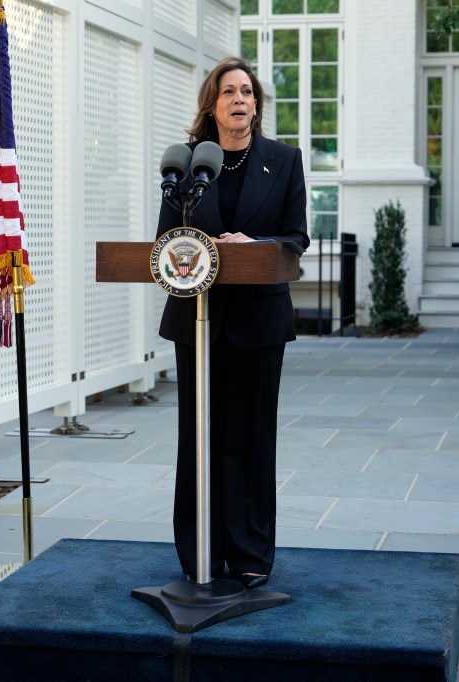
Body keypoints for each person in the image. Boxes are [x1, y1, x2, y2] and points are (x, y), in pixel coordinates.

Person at [156, 56, 309, 589]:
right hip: (196, 321)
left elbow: (296, 240)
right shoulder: (187, 168)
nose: (240, 100)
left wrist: (254, 246)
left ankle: (249, 554)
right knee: (197, 437)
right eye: (229, 92)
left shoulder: (285, 161)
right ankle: (199, 551)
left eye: (248, 92)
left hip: (259, 321)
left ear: (257, 104)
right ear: (212, 104)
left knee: (250, 437)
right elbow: (163, 243)